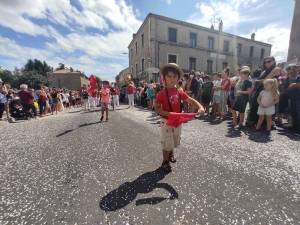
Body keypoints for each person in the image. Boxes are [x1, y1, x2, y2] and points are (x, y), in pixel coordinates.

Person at [155, 63, 205, 172]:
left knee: (175, 140)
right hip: (166, 121)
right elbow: (157, 108)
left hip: (177, 121)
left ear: (178, 78)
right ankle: (165, 161)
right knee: (167, 142)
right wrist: (168, 114)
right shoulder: (161, 93)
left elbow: (192, 101)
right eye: (169, 76)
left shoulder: (180, 92)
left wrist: (200, 107)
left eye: (174, 76)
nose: (172, 79)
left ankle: (171, 152)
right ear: (164, 78)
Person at [247, 56, 281, 126]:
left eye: (269, 61)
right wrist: (252, 91)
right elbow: (258, 82)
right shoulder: (264, 71)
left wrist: (259, 81)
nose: (267, 63)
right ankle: (256, 122)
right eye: (265, 62)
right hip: (261, 89)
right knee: (257, 105)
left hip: (270, 91)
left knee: (268, 107)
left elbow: (266, 79)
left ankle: (266, 124)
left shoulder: (276, 69)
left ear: (273, 61)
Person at [286, 64, 300, 134]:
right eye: (297, 67)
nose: (298, 68)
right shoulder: (297, 77)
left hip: (298, 99)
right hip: (293, 98)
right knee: (293, 114)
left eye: (299, 67)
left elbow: (298, 85)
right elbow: (289, 87)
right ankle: (296, 128)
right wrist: (294, 85)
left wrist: (293, 85)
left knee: (298, 114)